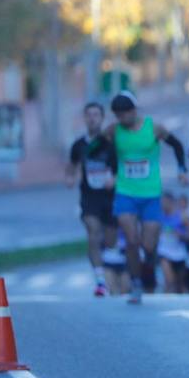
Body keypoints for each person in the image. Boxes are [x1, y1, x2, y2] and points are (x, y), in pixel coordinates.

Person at [104, 91, 189, 304]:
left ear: (134, 111)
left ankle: (150, 256)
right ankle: (136, 283)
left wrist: (182, 169)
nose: (121, 119)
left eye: (124, 115)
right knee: (131, 240)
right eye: (118, 116)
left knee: (148, 245)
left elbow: (177, 145)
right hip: (125, 192)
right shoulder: (113, 130)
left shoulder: (154, 128)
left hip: (151, 194)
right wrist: (111, 174)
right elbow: (102, 150)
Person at [66, 102, 118, 297]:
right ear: (84, 118)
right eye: (89, 115)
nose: (92, 118)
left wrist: (115, 179)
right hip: (89, 198)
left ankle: (112, 271)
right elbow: (71, 165)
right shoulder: (79, 145)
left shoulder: (111, 143)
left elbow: (122, 165)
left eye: (96, 115)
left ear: (102, 118)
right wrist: (69, 177)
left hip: (111, 198)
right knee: (93, 233)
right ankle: (100, 280)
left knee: (111, 240)